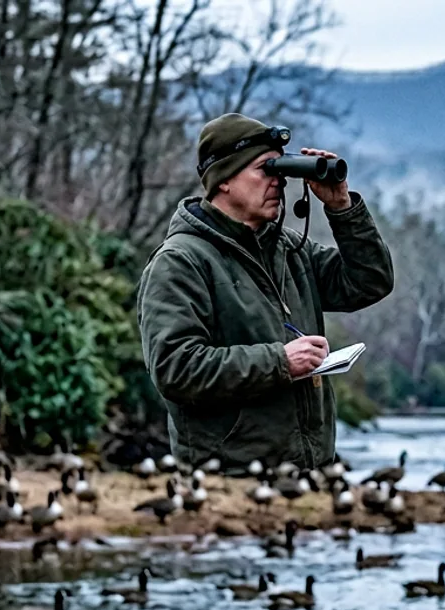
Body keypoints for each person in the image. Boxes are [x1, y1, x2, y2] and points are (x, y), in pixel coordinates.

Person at [137, 113, 394, 470]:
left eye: (282, 170)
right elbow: (176, 368)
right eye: (266, 169)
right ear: (223, 180)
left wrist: (341, 207)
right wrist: (280, 363)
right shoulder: (181, 261)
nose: (279, 182)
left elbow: (370, 281)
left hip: (306, 474)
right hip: (228, 477)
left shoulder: (289, 250)